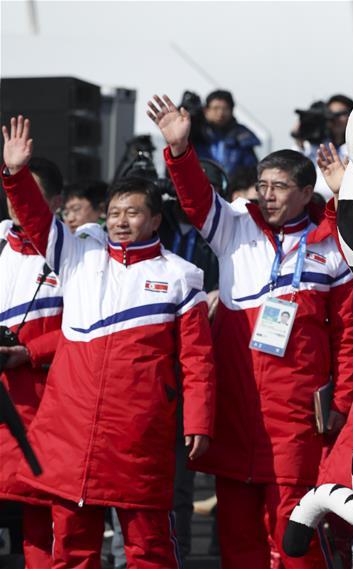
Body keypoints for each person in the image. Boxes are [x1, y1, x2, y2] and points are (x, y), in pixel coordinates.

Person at [148, 94, 353, 569]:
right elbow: (196, 199)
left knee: (295, 540)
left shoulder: (330, 246)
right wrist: (180, 151)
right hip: (236, 413)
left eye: (280, 186)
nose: (267, 194)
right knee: (238, 541)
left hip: (297, 422)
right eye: (262, 184)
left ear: (307, 192)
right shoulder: (235, 226)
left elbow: (348, 338)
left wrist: (342, 407)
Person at [2, 115, 216, 568]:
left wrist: (198, 421)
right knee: (72, 551)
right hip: (71, 431)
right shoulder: (79, 255)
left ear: (155, 219)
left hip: (139, 435)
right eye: (115, 213)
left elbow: (198, 360)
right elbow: (38, 221)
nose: (121, 221)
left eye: (133, 212)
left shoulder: (180, 277)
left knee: (149, 550)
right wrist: (16, 176)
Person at [0, 156, 66, 569]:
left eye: (33, 194)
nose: (20, 203)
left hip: (44, 411)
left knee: (42, 524)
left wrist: (28, 352)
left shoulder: (80, 253)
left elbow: (90, 334)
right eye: (14, 192)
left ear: (56, 201)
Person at [195, 90, 261, 176]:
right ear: (206, 110)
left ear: (232, 110)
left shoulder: (242, 136)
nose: (220, 113)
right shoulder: (195, 133)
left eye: (225, 108)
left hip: (232, 186)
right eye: (215, 108)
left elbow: (251, 168)